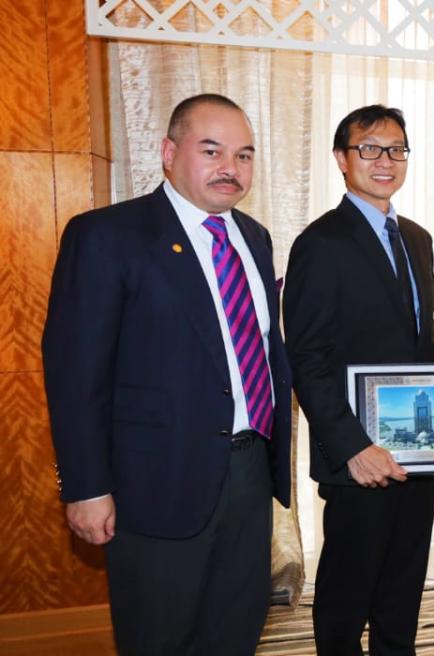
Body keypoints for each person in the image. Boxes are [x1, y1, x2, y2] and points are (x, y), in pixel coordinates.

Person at [42, 93, 292, 654]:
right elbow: (76, 374)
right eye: (212, 151)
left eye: (244, 155)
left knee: (234, 632)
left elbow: (261, 348)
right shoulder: (107, 236)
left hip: (250, 474)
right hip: (156, 483)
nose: (230, 168)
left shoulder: (254, 238)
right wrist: (86, 487)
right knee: (159, 638)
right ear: (169, 152)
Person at [284, 105, 434, 655]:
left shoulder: (417, 238)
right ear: (342, 159)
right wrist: (353, 448)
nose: (385, 160)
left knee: (402, 588)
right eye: (369, 148)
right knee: (347, 595)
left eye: (396, 149)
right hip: (358, 459)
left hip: (416, 452)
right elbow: (307, 359)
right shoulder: (320, 243)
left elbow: (422, 333)